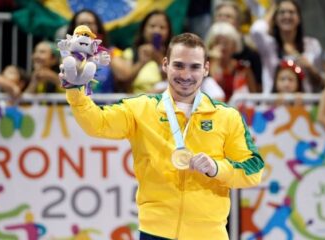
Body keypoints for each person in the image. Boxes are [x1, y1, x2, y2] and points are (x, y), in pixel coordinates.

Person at [63, 33, 264, 240]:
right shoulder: (141, 108)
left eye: (194, 67)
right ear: (165, 64)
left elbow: (253, 171)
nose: (186, 75)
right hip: (155, 232)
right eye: (179, 65)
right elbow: (97, 124)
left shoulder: (227, 116)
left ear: (206, 68)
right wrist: (77, 93)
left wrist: (216, 168)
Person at [250, 0, 323, 94]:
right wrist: (274, 6)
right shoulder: (269, 45)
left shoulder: (312, 45)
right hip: (273, 104)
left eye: (291, 12)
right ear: (275, 19)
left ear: (299, 18)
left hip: (303, 104)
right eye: (282, 12)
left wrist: (309, 67)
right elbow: (256, 30)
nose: (287, 16)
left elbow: (321, 82)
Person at [120, 10, 173, 94]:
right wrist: (141, 63)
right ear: (143, 29)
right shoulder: (130, 53)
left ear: (169, 32)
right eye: (152, 26)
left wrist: (159, 60)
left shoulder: (173, 55)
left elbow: (175, 82)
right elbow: (123, 83)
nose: (157, 31)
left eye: (162, 27)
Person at [206, 21, 259, 102]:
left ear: (234, 46)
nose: (221, 46)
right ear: (210, 45)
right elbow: (212, 89)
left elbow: (254, 97)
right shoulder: (204, 67)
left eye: (225, 43)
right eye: (217, 42)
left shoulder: (243, 68)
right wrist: (214, 62)